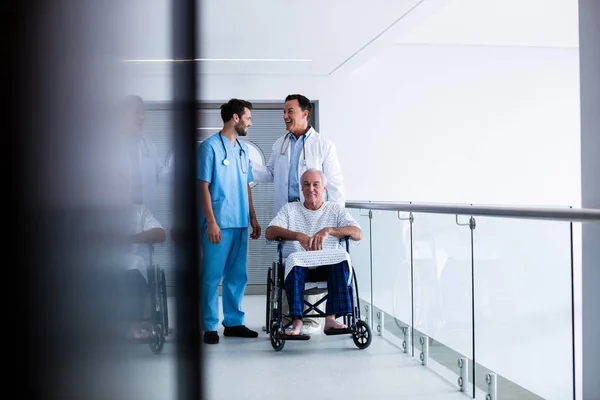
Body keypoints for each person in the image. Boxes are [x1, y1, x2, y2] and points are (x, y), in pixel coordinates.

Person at [252, 93, 346, 332]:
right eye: (284, 112)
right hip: (291, 215)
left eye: (289, 111)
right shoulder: (279, 144)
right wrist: (245, 165)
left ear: (305, 114)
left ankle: (327, 318)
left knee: (325, 260)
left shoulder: (323, 145)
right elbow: (270, 173)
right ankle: (291, 319)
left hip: (316, 214)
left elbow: (334, 185)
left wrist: (335, 220)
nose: (285, 116)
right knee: (291, 261)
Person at [265, 169, 362, 336]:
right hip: (298, 269)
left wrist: (330, 230)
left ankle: (330, 319)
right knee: (293, 263)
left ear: (324, 188)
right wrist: (297, 236)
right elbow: (270, 232)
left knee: (342, 260)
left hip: (328, 268)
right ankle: (297, 323)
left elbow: (357, 233)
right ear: (301, 189)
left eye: (316, 184)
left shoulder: (335, 210)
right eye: (306, 184)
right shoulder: (290, 210)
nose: (311, 189)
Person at [197, 98, 262, 345]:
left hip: (240, 223)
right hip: (219, 224)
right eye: (248, 118)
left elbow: (246, 185)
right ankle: (210, 326)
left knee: (237, 276)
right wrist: (211, 221)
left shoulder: (243, 150)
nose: (250, 122)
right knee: (212, 276)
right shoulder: (209, 147)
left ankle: (233, 322)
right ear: (235, 118)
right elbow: (202, 187)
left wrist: (253, 218)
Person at [122, 95, 168, 215]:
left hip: (145, 213)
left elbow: (160, 173)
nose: (141, 118)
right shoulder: (111, 146)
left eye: (143, 113)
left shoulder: (148, 145)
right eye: (137, 113)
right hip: (119, 214)